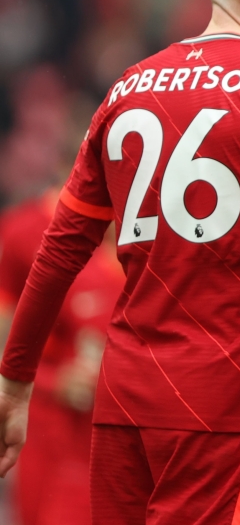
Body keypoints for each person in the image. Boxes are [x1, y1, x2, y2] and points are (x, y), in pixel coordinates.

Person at [0, 0, 240, 525]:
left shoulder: (128, 86)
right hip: (225, 402)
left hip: (123, 403)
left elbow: (61, 248)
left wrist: (14, 384)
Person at [0, 189, 121, 525]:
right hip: (52, 430)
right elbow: (5, 340)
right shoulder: (26, 232)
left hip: (126, 445)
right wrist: (55, 383)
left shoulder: (161, 266)